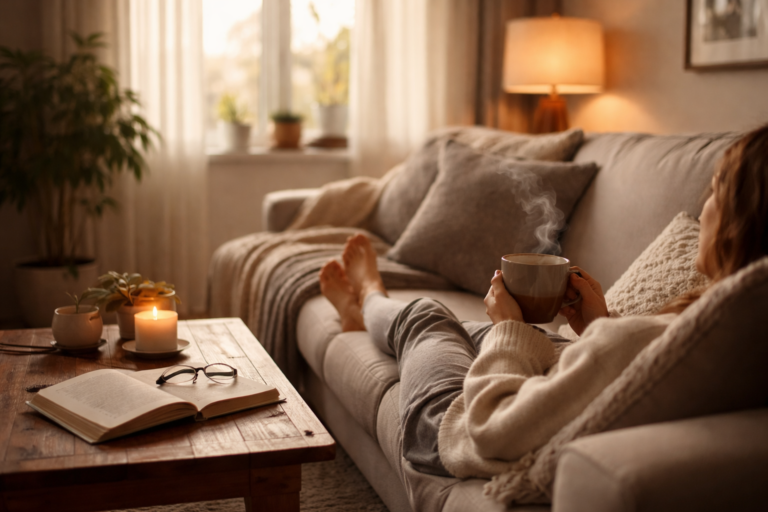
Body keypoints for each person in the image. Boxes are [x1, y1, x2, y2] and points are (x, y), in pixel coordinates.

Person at [318, 124, 768, 479]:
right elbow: (623, 372)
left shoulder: (649, 339)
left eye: (714, 191)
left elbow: (490, 428)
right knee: (458, 326)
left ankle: (369, 297)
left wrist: (509, 330)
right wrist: (599, 325)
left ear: (740, 221)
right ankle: (371, 314)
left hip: (448, 430)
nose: (703, 208)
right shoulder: (736, 331)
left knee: (426, 315)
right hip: (545, 392)